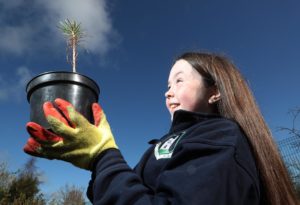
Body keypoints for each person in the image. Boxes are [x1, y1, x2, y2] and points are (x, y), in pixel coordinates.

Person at [24, 52, 298, 205]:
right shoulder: (159, 146)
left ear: (214, 91)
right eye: (167, 86)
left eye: (179, 81)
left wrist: (104, 155)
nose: (168, 93)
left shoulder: (222, 138)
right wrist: (97, 164)